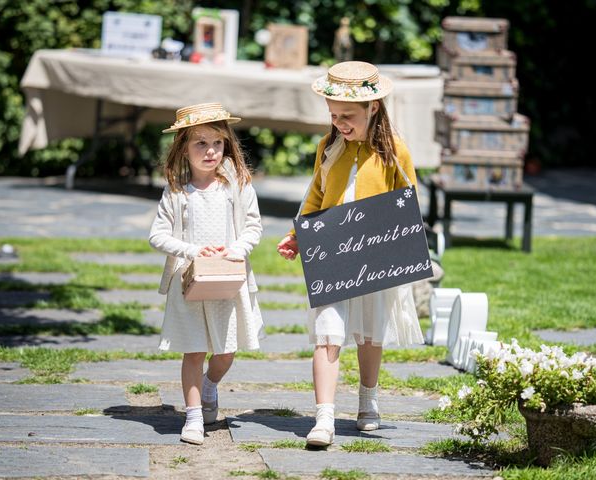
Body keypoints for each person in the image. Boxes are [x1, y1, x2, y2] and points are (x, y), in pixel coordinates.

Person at [277, 61, 424, 446]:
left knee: (370, 336)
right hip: (332, 254)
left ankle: (367, 401)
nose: (339, 122)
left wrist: (401, 244)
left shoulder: (394, 150)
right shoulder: (328, 147)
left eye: (347, 115)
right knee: (327, 334)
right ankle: (323, 418)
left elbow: (409, 201)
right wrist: (297, 233)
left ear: (373, 107)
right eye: (333, 115)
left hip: (375, 254)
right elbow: (315, 194)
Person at [149, 103, 264, 445]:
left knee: (226, 350)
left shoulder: (237, 186)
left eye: (217, 143)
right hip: (190, 283)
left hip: (228, 278)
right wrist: (192, 250)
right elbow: (157, 234)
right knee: (193, 349)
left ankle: (210, 385)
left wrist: (236, 250)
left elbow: (253, 227)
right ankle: (194, 416)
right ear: (183, 147)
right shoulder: (176, 192)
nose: (210, 151)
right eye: (200, 143)